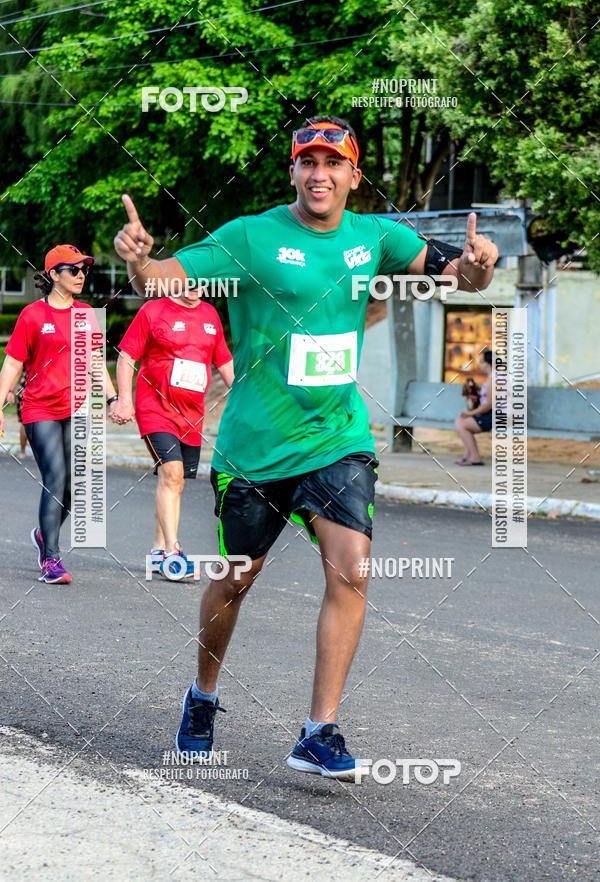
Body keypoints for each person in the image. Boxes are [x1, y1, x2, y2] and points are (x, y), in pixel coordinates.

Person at [114, 116, 498, 779]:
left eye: (333, 163)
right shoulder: (250, 235)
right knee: (237, 578)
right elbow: (161, 280)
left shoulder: (374, 236)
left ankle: (319, 731)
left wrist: (478, 266)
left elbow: (461, 277)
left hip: (337, 436)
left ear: (353, 175)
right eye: (307, 162)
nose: (319, 173)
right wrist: (139, 258)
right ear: (292, 171)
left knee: (351, 568)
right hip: (255, 445)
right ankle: (202, 696)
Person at [0, 245, 118, 584]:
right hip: (39, 408)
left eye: (84, 269)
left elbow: (95, 361)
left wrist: (112, 399)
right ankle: (51, 559)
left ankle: (42, 534)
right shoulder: (32, 315)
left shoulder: (86, 315)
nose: (81, 275)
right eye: (74, 269)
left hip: (75, 409)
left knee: (73, 486)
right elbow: (13, 362)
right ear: (53, 274)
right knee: (55, 478)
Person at [112, 284, 233, 579]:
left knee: (174, 482)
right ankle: (172, 554)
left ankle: (157, 550)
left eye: (202, 281)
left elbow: (225, 362)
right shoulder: (153, 311)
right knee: (172, 473)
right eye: (189, 280)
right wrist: (125, 399)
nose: (195, 287)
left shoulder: (210, 315)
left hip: (191, 416)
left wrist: (246, 401)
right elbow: (127, 356)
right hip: (154, 409)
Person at [455, 348, 493, 466]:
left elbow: (489, 404)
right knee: (460, 421)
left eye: (482, 362)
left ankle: (475, 457)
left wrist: (470, 414)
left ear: (487, 364)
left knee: (462, 423)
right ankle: (469, 454)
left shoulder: (495, 379)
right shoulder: (494, 377)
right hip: (492, 415)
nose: (481, 365)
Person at [6, 369, 28, 457]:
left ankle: (22, 452)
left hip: (24, 388)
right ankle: (35, 453)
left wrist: (10, 391)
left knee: (24, 422)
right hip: (41, 388)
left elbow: (16, 371)